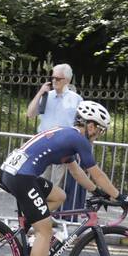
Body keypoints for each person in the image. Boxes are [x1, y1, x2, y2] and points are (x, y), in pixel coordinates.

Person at [0, 101, 128, 256]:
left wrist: (97, 192)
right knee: (46, 230)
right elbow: (96, 172)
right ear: (90, 126)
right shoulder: (79, 140)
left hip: (14, 173)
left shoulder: (67, 135)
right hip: (22, 178)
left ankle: (31, 230)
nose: (98, 135)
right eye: (99, 130)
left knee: (58, 195)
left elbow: (76, 171)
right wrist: (121, 196)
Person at [26, 63, 85, 215]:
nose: (54, 81)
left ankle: (46, 217)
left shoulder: (76, 99)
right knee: (38, 183)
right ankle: (37, 215)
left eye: (58, 79)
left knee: (54, 186)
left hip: (62, 149)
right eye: (52, 78)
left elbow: (80, 126)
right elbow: (30, 114)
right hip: (42, 147)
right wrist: (40, 93)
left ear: (67, 80)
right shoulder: (47, 96)